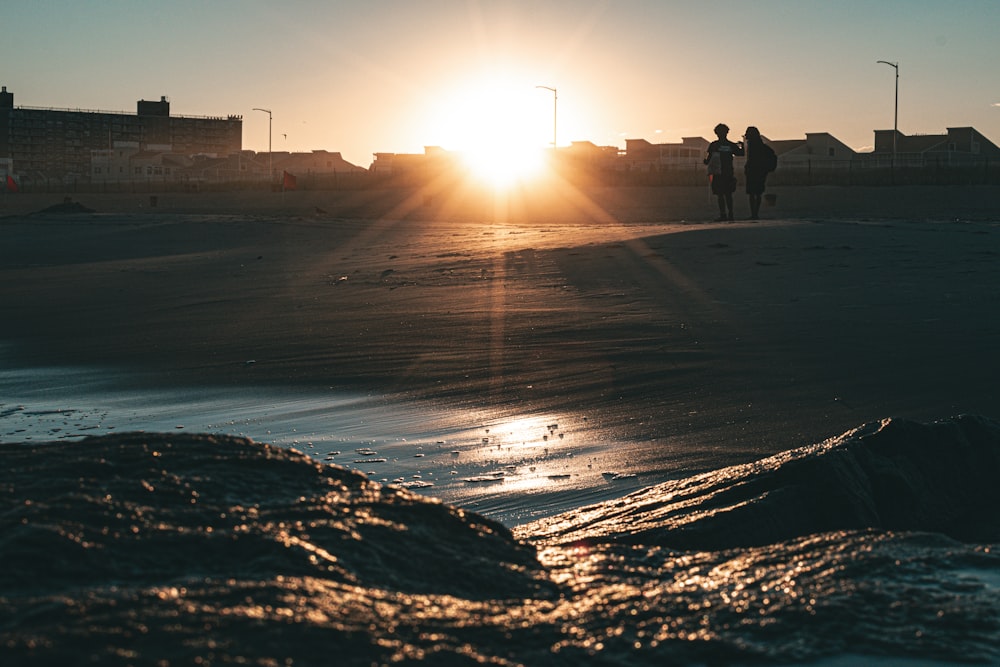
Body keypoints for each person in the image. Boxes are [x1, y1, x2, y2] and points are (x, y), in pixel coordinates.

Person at [704, 123, 744, 221]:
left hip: (718, 173)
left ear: (716, 133)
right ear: (727, 133)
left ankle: (723, 214)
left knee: (720, 195)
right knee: (728, 194)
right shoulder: (731, 145)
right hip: (728, 172)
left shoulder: (714, 145)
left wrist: (706, 162)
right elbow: (741, 154)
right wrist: (742, 146)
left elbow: (708, 160)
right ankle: (730, 214)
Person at [743, 126, 776, 220]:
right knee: (757, 193)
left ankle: (754, 214)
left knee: (753, 193)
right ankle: (755, 214)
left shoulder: (753, 145)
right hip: (759, 171)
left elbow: (751, 159)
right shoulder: (758, 144)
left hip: (754, 171)